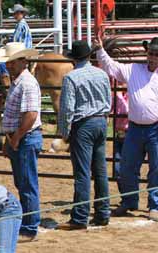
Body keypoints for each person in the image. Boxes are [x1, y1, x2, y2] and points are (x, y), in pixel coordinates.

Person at [94, 35, 158, 221]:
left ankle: (154, 204)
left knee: (156, 168)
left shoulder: (135, 70)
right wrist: (100, 50)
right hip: (135, 127)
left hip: (154, 127)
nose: (152, 56)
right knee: (127, 167)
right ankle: (130, 201)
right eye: (151, 53)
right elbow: (112, 67)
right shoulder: (133, 69)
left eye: (156, 54)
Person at [56, 40, 112, 229]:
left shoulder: (71, 78)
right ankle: (103, 212)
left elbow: (67, 109)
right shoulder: (102, 74)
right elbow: (108, 99)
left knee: (82, 173)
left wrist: (64, 132)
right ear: (88, 56)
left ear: (73, 58)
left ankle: (80, 217)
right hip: (100, 121)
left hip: (84, 125)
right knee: (100, 170)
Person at [0, 42, 42, 241]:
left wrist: (16, 137)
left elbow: (30, 115)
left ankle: (30, 228)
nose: (9, 66)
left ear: (23, 61)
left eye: (12, 62)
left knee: (27, 183)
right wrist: (11, 139)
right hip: (21, 137)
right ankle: (28, 224)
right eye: (8, 62)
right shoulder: (19, 81)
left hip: (25, 137)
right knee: (24, 182)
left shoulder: (26, 83)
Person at [0, 4, 33, 85]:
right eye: (14, 14)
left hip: (21, 51)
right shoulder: (23, 24)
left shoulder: (20, 25)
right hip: (25, 49)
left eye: (16, 13)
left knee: (1, 63)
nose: (14, 15)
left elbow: (16, 42)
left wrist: (7, 44)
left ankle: (7, 85)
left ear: (21, 14)